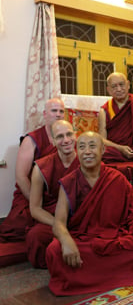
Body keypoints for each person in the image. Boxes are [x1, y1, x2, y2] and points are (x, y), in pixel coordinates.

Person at [46, 132, 133, 296]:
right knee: (55, 250)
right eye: (81, 147)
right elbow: (59, 222)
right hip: (84, 239)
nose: (87, 151)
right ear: (76, 152)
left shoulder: (117, 178)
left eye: (92, 146)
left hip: (115, 237)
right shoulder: (69, 182)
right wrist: (66, 241)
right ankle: (120, 272)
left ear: (103, 150)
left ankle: (86, 276)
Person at [0, 97, 65, 242]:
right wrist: (37, 203)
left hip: (56, 194)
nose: (58, 114)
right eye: (54, 110)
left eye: (61, 111)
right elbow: (21, 177)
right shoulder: (32, 140)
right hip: (32, 194)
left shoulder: (66, 139)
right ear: (45, 114)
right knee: (21, 223)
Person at [26, 120, 79, 268]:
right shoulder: (41, 167)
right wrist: (59, 226)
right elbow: (35, 208)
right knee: (35, 237)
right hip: (53, 219)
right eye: (60, 136)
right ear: (53, 141)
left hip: (82, 218)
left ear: (75, 135)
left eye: (69, 134)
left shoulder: (86, 160)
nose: (66, 140)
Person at [98, 72, 133, 163]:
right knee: (103, 154)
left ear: (128, 85)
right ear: (108, 90)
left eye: (121, 84)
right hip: (116, 151)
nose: (119, 89)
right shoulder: (105, 110)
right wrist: (120, 148)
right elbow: (102, 139)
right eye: (114, 86)